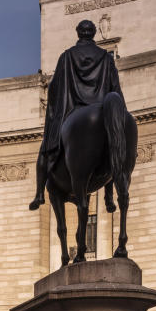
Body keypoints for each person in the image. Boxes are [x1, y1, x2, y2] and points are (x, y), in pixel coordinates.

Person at [30, 19, 122, 210]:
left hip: (73, 110)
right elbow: (115, 89)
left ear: (78, 33)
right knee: (114, 143)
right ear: (94, 33)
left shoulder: (67, 56)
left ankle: (39, 194)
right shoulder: (106, 58)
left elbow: (55, 88)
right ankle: (109, 196)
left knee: (46, 148)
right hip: (103, 110)